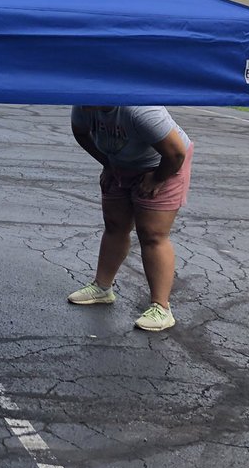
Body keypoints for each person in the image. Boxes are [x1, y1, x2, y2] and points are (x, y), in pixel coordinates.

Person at [67, 105, 193, 332]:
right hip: (121, 164)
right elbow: (80, 132)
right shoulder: (84, 104)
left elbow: (176, 153)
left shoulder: (140, 109)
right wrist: (107, 163)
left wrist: (157, 178)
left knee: (152, 234)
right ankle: (102, 288)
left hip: (164, 163)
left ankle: (161, 308)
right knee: (115, 224)